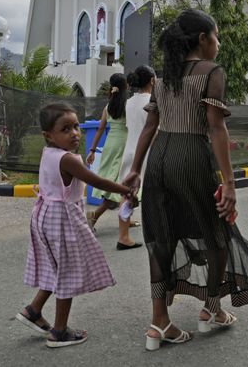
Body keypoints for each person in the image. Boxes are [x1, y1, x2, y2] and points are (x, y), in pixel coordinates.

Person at [122, 9, 248, 351]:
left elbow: (150, 126)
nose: (218, 43)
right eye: (216, 36)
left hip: (159, 158)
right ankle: (212, 309)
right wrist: (230, 184)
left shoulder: (165, 77)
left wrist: (135, 169)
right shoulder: (211, 71)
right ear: (203, 40)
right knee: (216, 232)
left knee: (160, 235)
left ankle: (159, 322)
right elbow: (216, 126)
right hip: (191, 155)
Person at [17, 103, 135, 348]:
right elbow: (96, 181)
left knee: (57, 268)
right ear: (48, 135)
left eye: (76, 127)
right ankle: (59, 332)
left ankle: (33, 310)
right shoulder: (67, 159)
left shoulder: (50, 153)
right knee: (67, 272)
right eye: (65, 129)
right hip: (61, 219)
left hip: (45, 216)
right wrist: (126, 190)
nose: (74, 133)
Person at [86, 73, 140, 250]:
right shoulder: (127, 105)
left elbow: (100, 129)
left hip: (110, 146)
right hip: (124, 146)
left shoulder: (108, 106)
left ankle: (127, 219)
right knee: (121, 186)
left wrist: (93, 150)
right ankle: (94, 215)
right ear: (125, 86)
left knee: (114, 183)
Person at [116, 65, 157, 204]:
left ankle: (124, 226)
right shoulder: (153, 102)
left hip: (129, 151)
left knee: (126, 193)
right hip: (147, 154)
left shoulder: (128, 102)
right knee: (150, 196)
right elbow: (154, 131)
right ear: (152, 81)